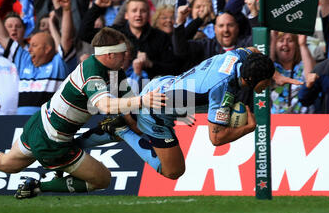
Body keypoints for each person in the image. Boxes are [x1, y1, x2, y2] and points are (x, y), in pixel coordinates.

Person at [0, 27, 166, 200]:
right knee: (102, 179)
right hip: (53, 141)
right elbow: (106, 107)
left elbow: (129, 110)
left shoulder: (115, 73)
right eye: (124, 53)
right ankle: (40, 185)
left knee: (8, 163)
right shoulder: (93, 72)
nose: (128, 57)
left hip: (40, 122)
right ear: (110, 54)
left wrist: (150, 128)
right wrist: (143, 100)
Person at [81, 47, 302, 180]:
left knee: (136, 124)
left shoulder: (239, 58)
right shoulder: (223, 92)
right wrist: (247, 129)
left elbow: (254, 50)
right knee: (174, 171)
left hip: (164, 84)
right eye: (266, 82)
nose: (267, 86)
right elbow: (216, 138)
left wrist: (274, 75)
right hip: (157, 110)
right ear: (252, 80)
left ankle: (85, 140)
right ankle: (121, 129)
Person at [270, 32, 316, 114]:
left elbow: (311, 76)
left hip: (303, 119)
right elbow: (264, 66)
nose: (285, 44)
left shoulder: (302, 66)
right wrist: (273, 39)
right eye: (281, 41)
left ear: (296, 46)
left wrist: (302, 44)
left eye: (290, 41)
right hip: (276, 121)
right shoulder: (272, 67)